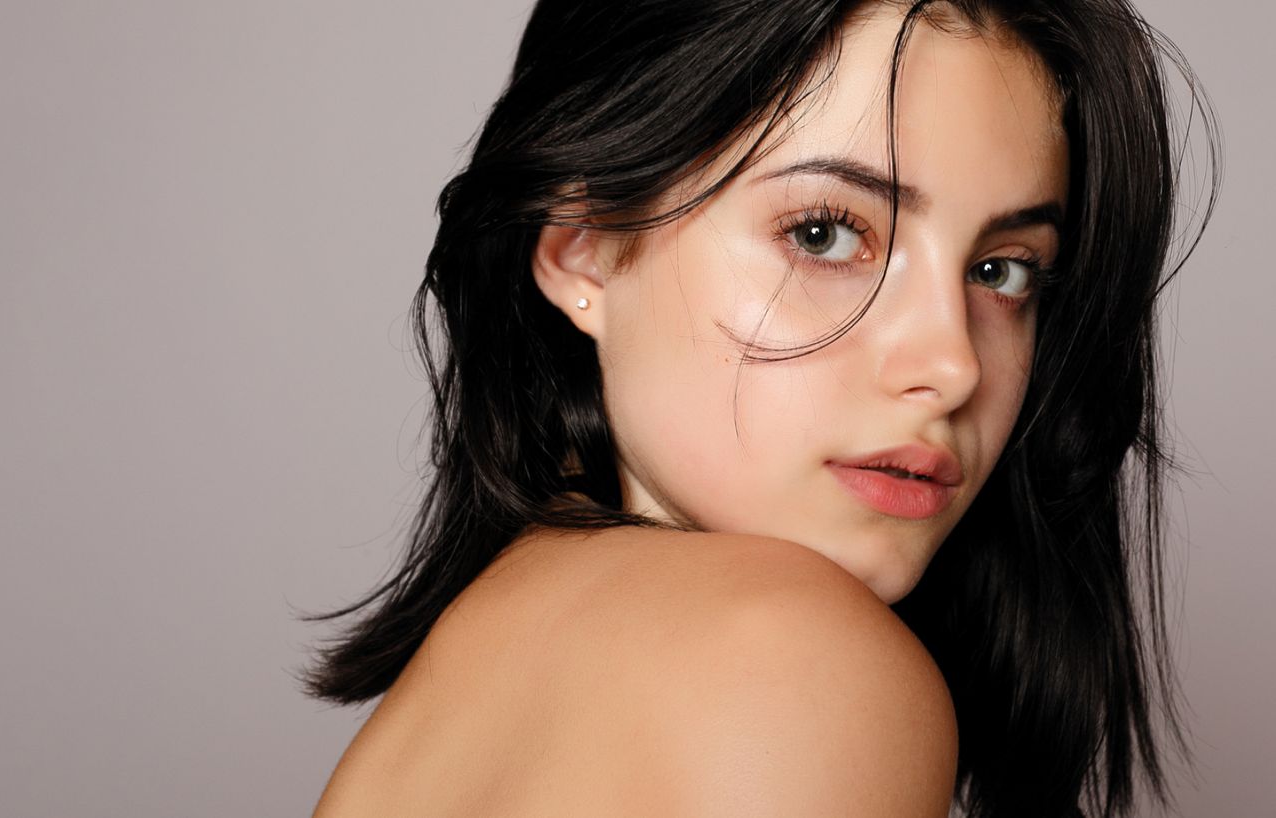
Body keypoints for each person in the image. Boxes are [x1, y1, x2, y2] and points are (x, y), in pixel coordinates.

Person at [304, 0, 1218, 815]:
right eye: (824, 234)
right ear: (584, 250)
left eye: (1000, 270)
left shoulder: (491, 638)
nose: (952, 364)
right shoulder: (795, 664)